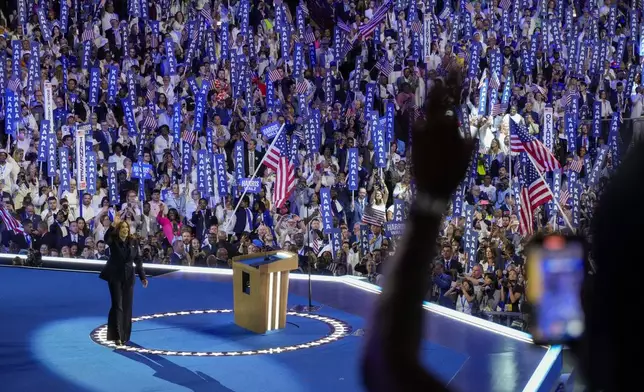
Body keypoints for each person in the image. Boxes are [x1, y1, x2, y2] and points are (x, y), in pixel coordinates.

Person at [99, 211, 148, 345]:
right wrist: (113, 224)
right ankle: (117, 336)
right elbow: (106, 238)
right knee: (117, 306)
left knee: (127, 306)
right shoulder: (113, 240)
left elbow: (138, 259)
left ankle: (125, 335)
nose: (125, 230)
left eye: (127, 227)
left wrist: (142, 276)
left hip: (129, 276)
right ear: (119, 230)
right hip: (115, 276)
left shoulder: (133, 241)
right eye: (123, 228)